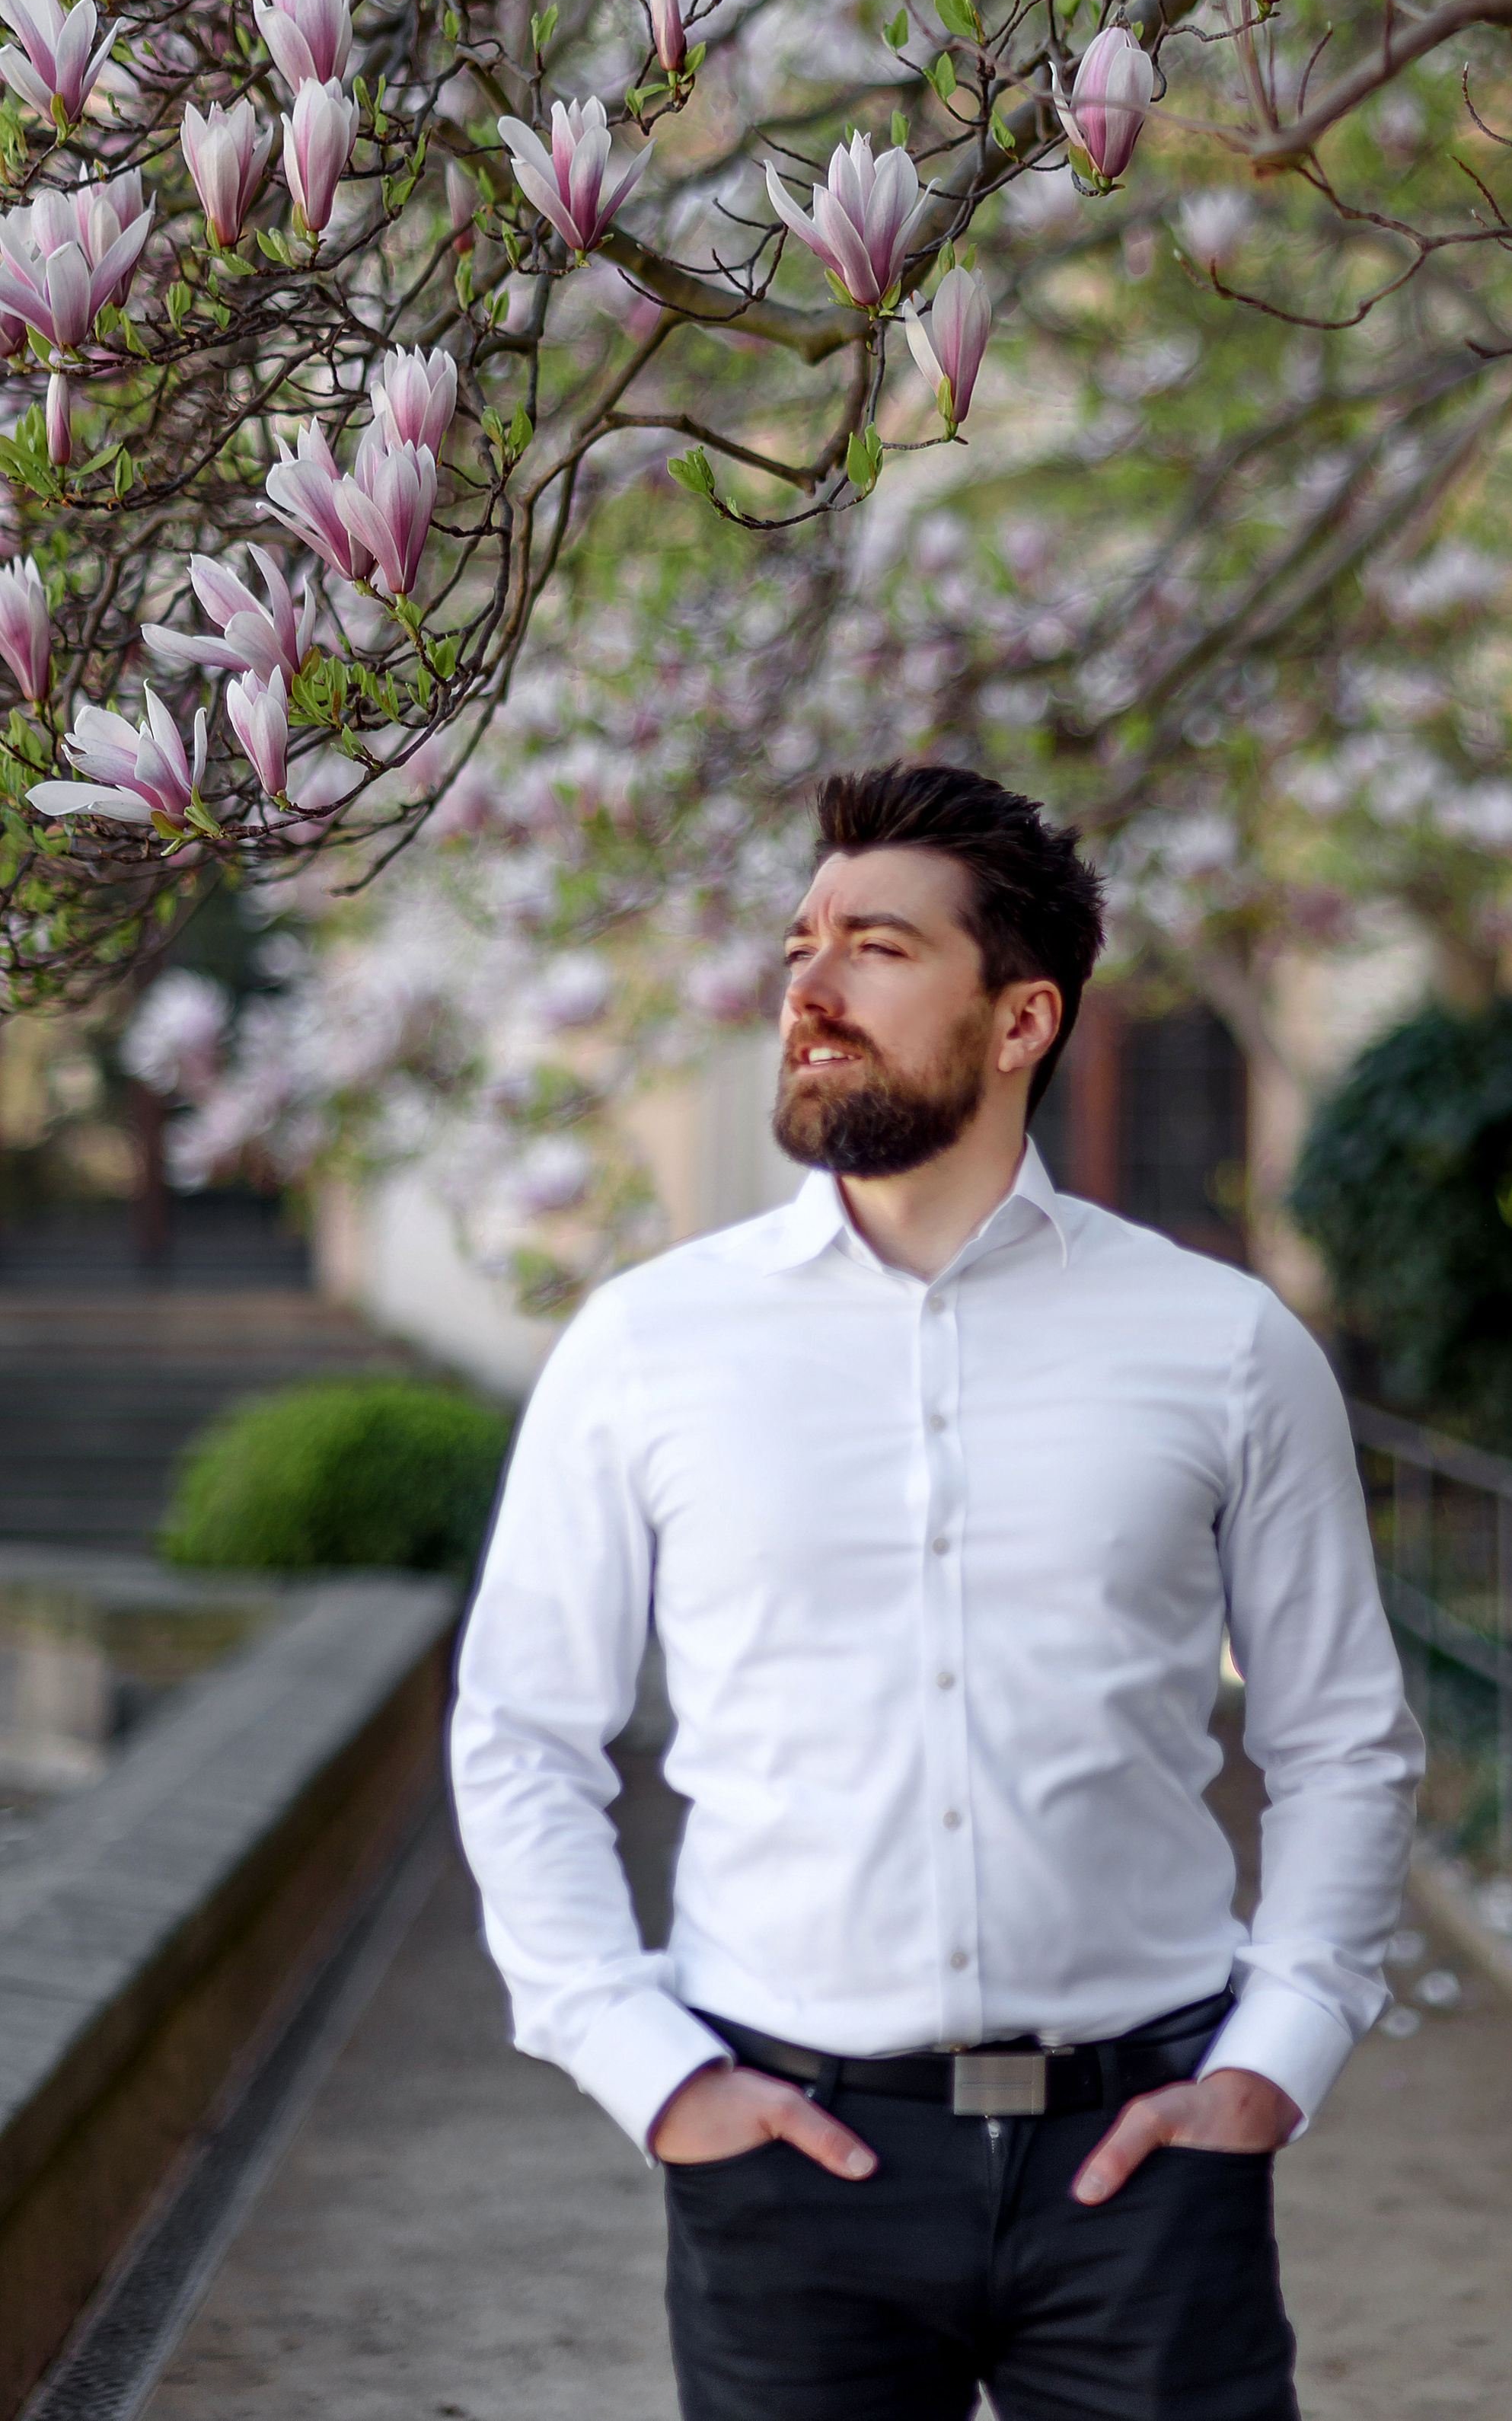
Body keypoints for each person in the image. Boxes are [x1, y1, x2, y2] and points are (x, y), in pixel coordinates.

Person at [451, 760, 1422, 2421]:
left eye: (877, 948)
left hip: (1147, 2167)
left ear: (1022, 1018)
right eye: (799, 947)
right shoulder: (644, 1347)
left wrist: (1274, 2059)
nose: (809, 989)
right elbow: (523, 1734)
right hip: (784, 2165)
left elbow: (1343, 1737)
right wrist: (647, 2068)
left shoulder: (1222, 1344)